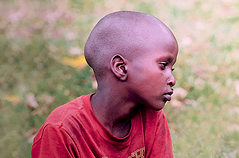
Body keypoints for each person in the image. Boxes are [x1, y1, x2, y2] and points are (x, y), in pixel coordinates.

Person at [31, 11, 178, 158]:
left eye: (171, 69)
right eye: (163, 65)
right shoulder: (62, 131)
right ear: (121, 68)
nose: (172, 80)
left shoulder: (151, 117)